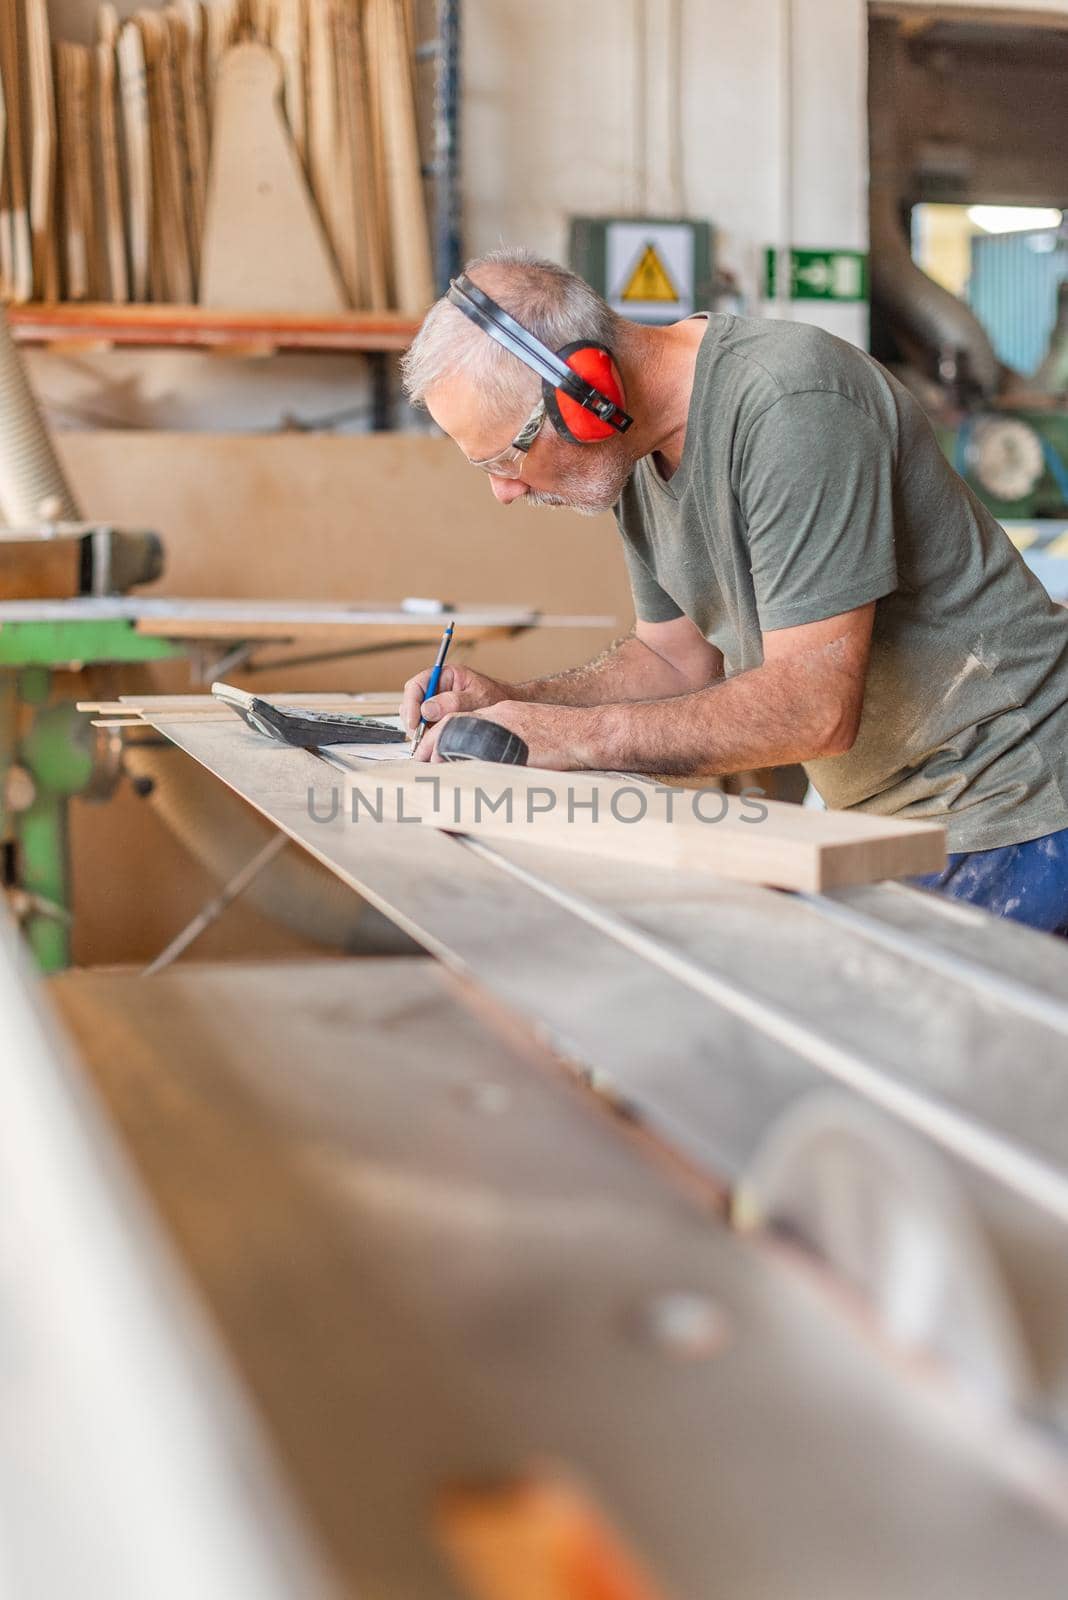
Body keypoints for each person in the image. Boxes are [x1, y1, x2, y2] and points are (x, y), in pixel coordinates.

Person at [399, 247, 1068, 933]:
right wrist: (513, 705)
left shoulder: (793, 406)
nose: (504, 491)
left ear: (585, 394)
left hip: (1015, 796)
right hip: (897, 813)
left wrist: (570, 739)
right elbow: (674, 660)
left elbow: (814, 708)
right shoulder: (634, 455)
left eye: (508, 454)